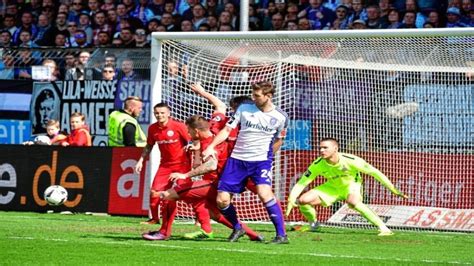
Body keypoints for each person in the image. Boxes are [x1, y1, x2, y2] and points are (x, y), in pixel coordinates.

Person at [145, 115, 263, 241]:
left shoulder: (209, 145)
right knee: (214, 214)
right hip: (224, 184)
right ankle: (253, 235)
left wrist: (185, 175)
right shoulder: (214, 138)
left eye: (189, 131)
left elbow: (211, 165)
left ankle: (163, 232)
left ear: (196, 131)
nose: (188, 134)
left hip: (214, 183)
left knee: (168, 195)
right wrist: (196, 148)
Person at [202, 81, 289, 244]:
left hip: (260, 162)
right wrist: (211, 147)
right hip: (237, 161)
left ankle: (282, 235)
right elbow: (227, 130)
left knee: (265, 194)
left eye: (257, 96)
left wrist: (269, 156)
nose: (253, 98)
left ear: (268, 96)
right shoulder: (244, 109)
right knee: (222, 200)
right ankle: (237, 227)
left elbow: (279, 140)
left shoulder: (280, 117)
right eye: (252, 95)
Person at [285, 138, 408, 236]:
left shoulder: (351, 160)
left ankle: (384, 228)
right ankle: (314, 224)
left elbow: (375, 172)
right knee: (303, 200)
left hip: (351, 185)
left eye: (325, 148)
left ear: (335, 148)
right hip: (332, 187)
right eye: (320, 148)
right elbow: (302, 182)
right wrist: (292, 198)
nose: (322, 150)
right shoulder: (317, 164)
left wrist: (392, 189)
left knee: (352, 202)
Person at [135, 103, 191, 234]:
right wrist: (141, 160)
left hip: (182, 165)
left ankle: (200, 220)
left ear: (168, 113)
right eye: (157, 113)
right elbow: (149, 145)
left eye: (162, 113)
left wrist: (194, 153)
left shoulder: (179, 126)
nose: (159, 115)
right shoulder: (152, 128)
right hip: (165, 166)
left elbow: (191, 141)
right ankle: (154, 219)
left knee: (186, 193)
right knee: (154, 192)